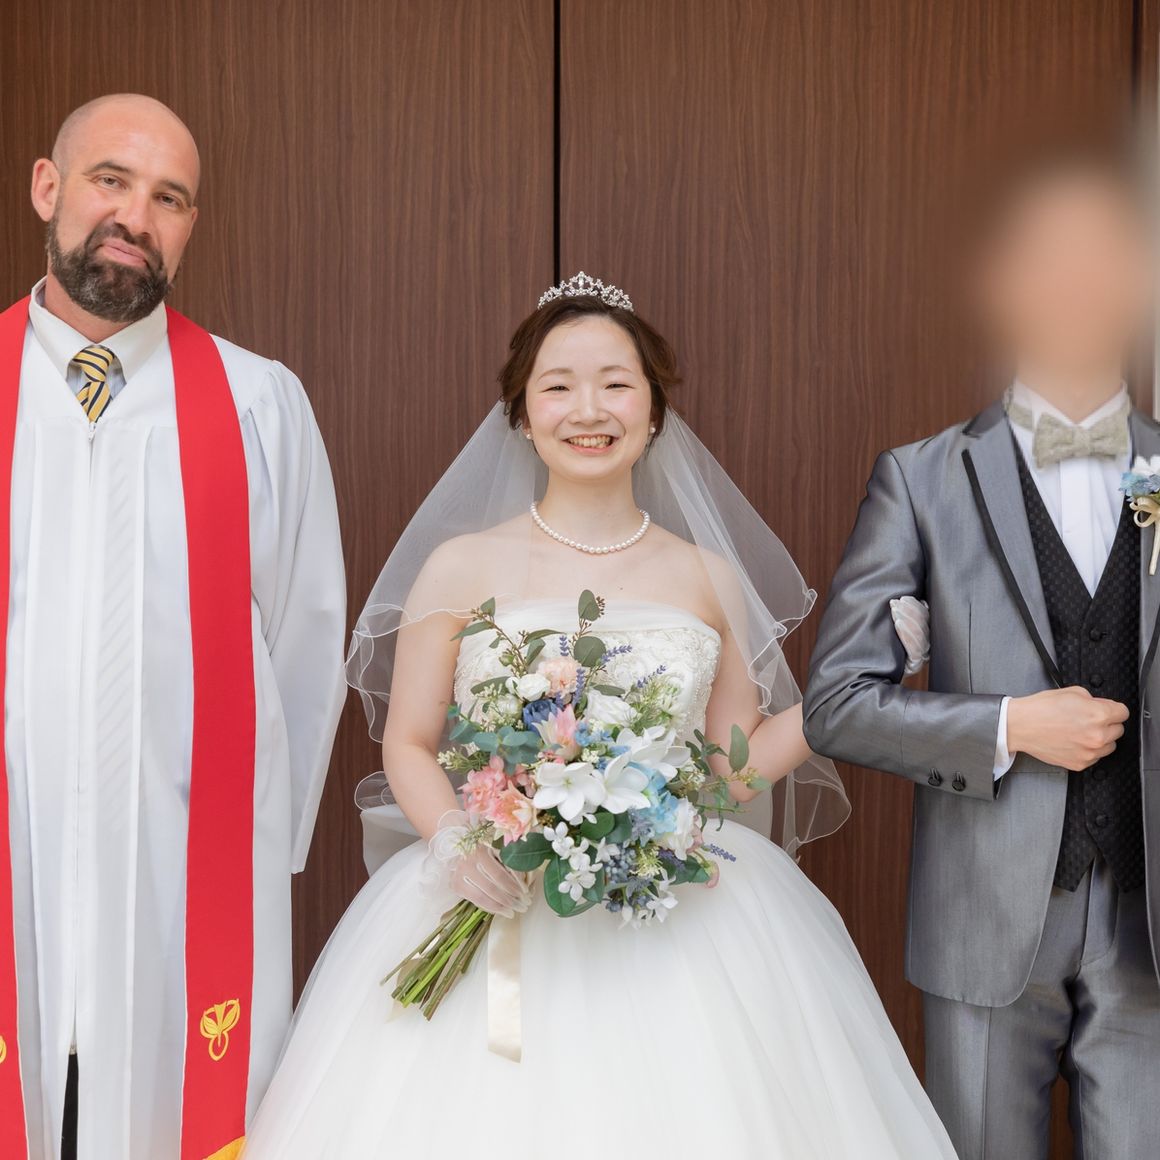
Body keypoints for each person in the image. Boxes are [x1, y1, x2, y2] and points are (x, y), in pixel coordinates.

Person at [245, 275, 955, 1158]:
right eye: (558, 385)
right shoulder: (460, 566)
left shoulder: (707, 576)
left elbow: (730, 768)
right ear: (522, 412)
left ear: (654, 411)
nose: (589, 409)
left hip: (675, 904)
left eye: (617, 383)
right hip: (497, 887)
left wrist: (853, 683)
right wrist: (458, 842)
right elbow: (411, 742)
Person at [0, 95, 346, 1159]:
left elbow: (304, 647)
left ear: (191, 225)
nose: (135, 217)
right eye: (111, 180)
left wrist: (260, 840)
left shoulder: (257, 404)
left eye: (169, 198)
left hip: (183, 860)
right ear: (48, 188)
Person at [804, 149, 1160, 1158]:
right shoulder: (919, 480)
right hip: (980, 919)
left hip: (1149, 930)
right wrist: (1009, 724)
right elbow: (838, 700)